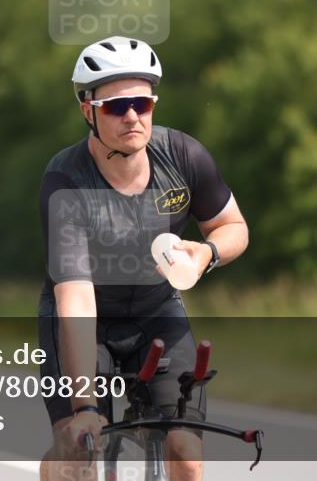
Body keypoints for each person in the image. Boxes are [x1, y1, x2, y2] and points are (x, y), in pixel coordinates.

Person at [38, 37, 249, 481]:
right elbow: (76, 300)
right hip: (87, 320)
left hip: (157, 311)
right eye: (117, 106)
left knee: (186, 454)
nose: (133, 116)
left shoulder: (184, 156)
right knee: (78, 453)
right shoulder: (66, 182)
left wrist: (206, 253)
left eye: (142, 103)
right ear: (87, 110)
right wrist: (85, 407)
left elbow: (234, 228)